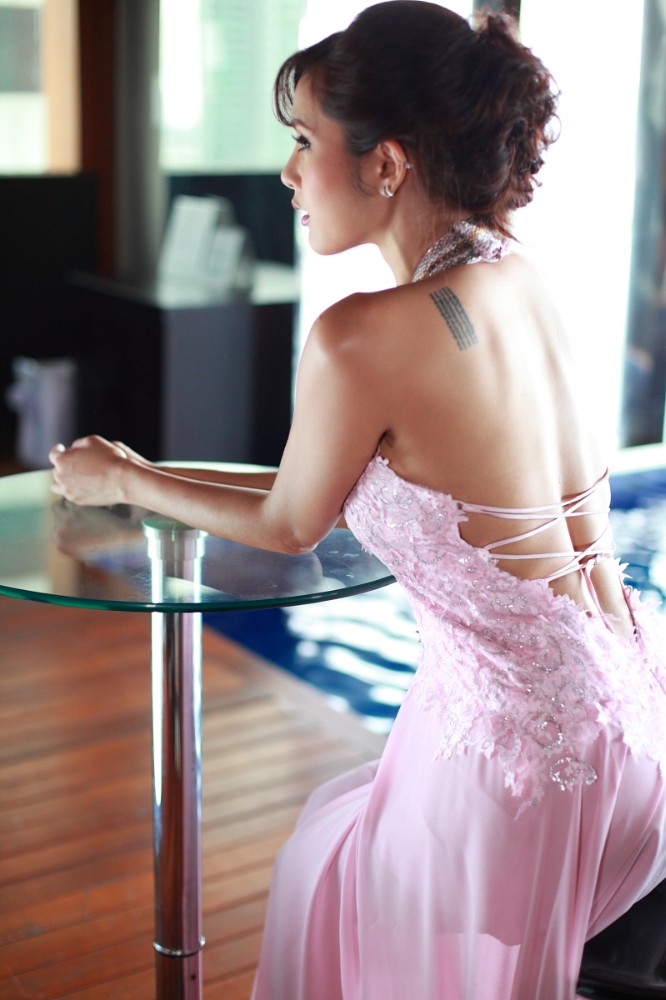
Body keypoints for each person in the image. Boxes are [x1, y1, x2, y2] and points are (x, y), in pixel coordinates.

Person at [49, 3, 666, 997]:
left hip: (526, 774)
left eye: (304, 141)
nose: (287, 173)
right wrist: (143, 468)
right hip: (634, 730)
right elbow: (329, 490)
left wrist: (120, 481)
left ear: (387, 164)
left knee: (319, 876)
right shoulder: (519, 278)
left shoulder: (360, 337)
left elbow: (293, 524)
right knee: (329, 851)